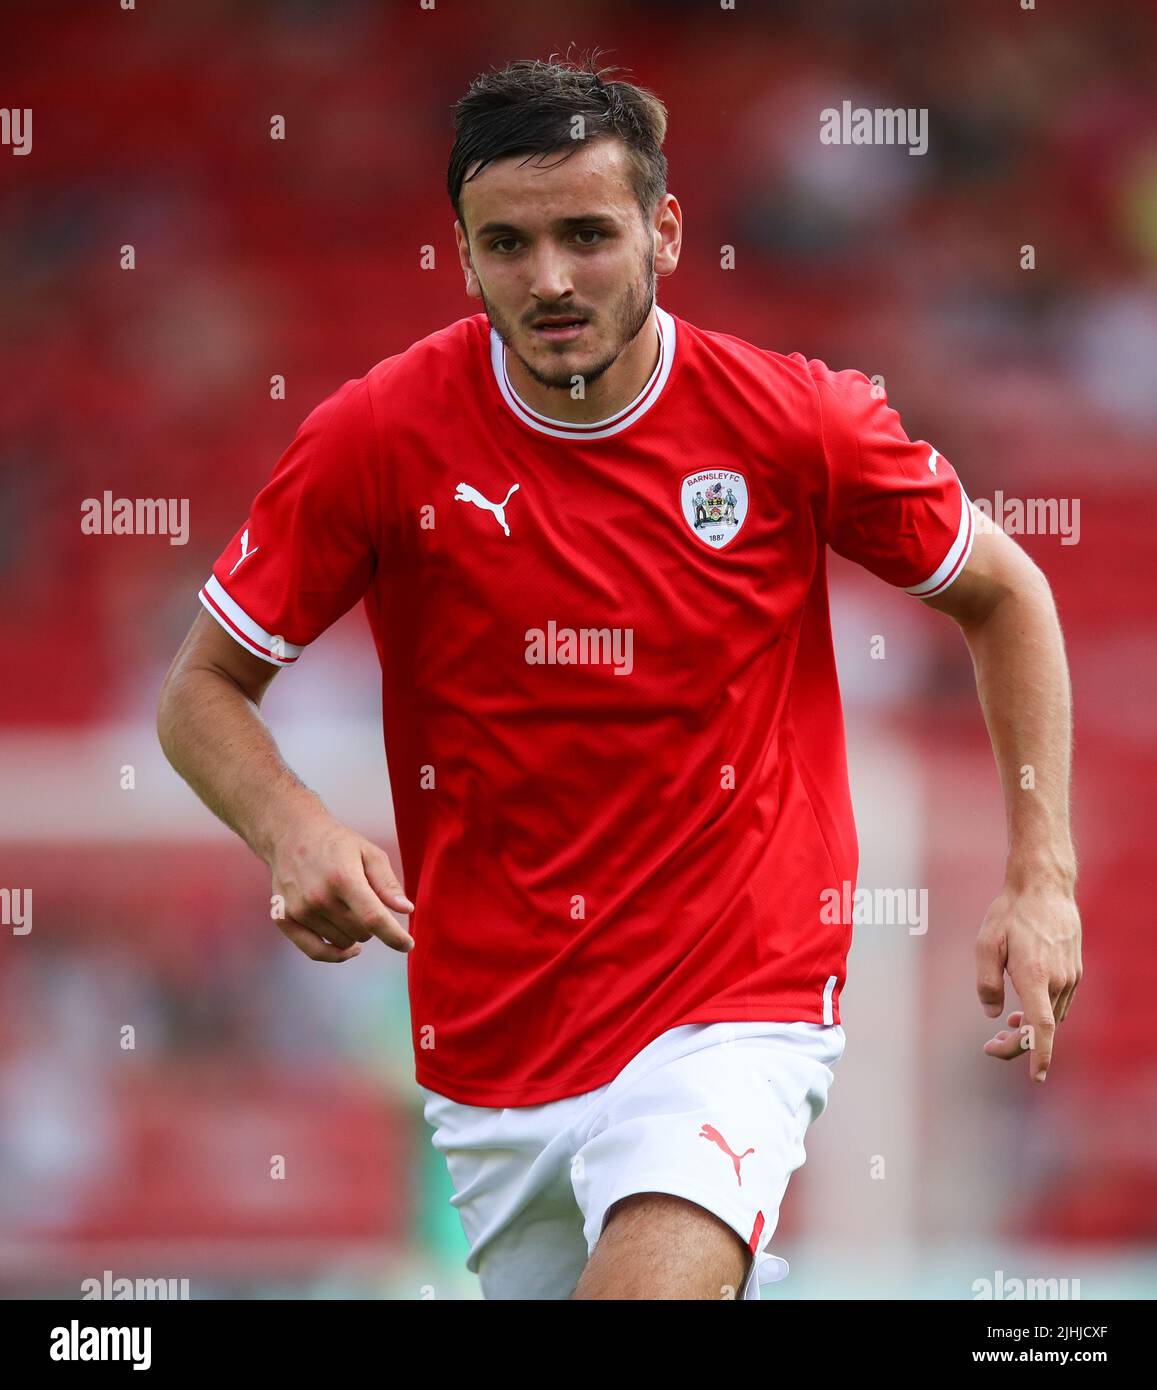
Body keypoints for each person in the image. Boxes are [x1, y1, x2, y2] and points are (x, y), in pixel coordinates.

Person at [156, 52, 1082, 1301]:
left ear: (664, 228)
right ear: (464, 249)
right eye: (506, 243)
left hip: (731, 1002)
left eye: (587, 235)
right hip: (494, 1041)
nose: (547, 280)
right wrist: (290, 827)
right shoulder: (376, 437)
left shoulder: (788, 421)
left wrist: (1040, 876)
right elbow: (199, 690)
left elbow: (1003, 592)